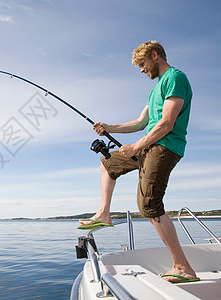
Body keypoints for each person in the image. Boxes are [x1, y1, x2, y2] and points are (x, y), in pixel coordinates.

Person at [78, 41, 199, 283]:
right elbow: (140, 123)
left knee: (149, 205)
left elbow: (166, 124)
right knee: (108, 163)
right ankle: (104, 214)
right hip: (148, 146)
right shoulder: (155, 90)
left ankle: (183, 267)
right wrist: (108, 127)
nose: (141, 70)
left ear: (155, 56)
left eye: (142, 64)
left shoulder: (175, 78)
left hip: (164, 147)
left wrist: (136, 146)